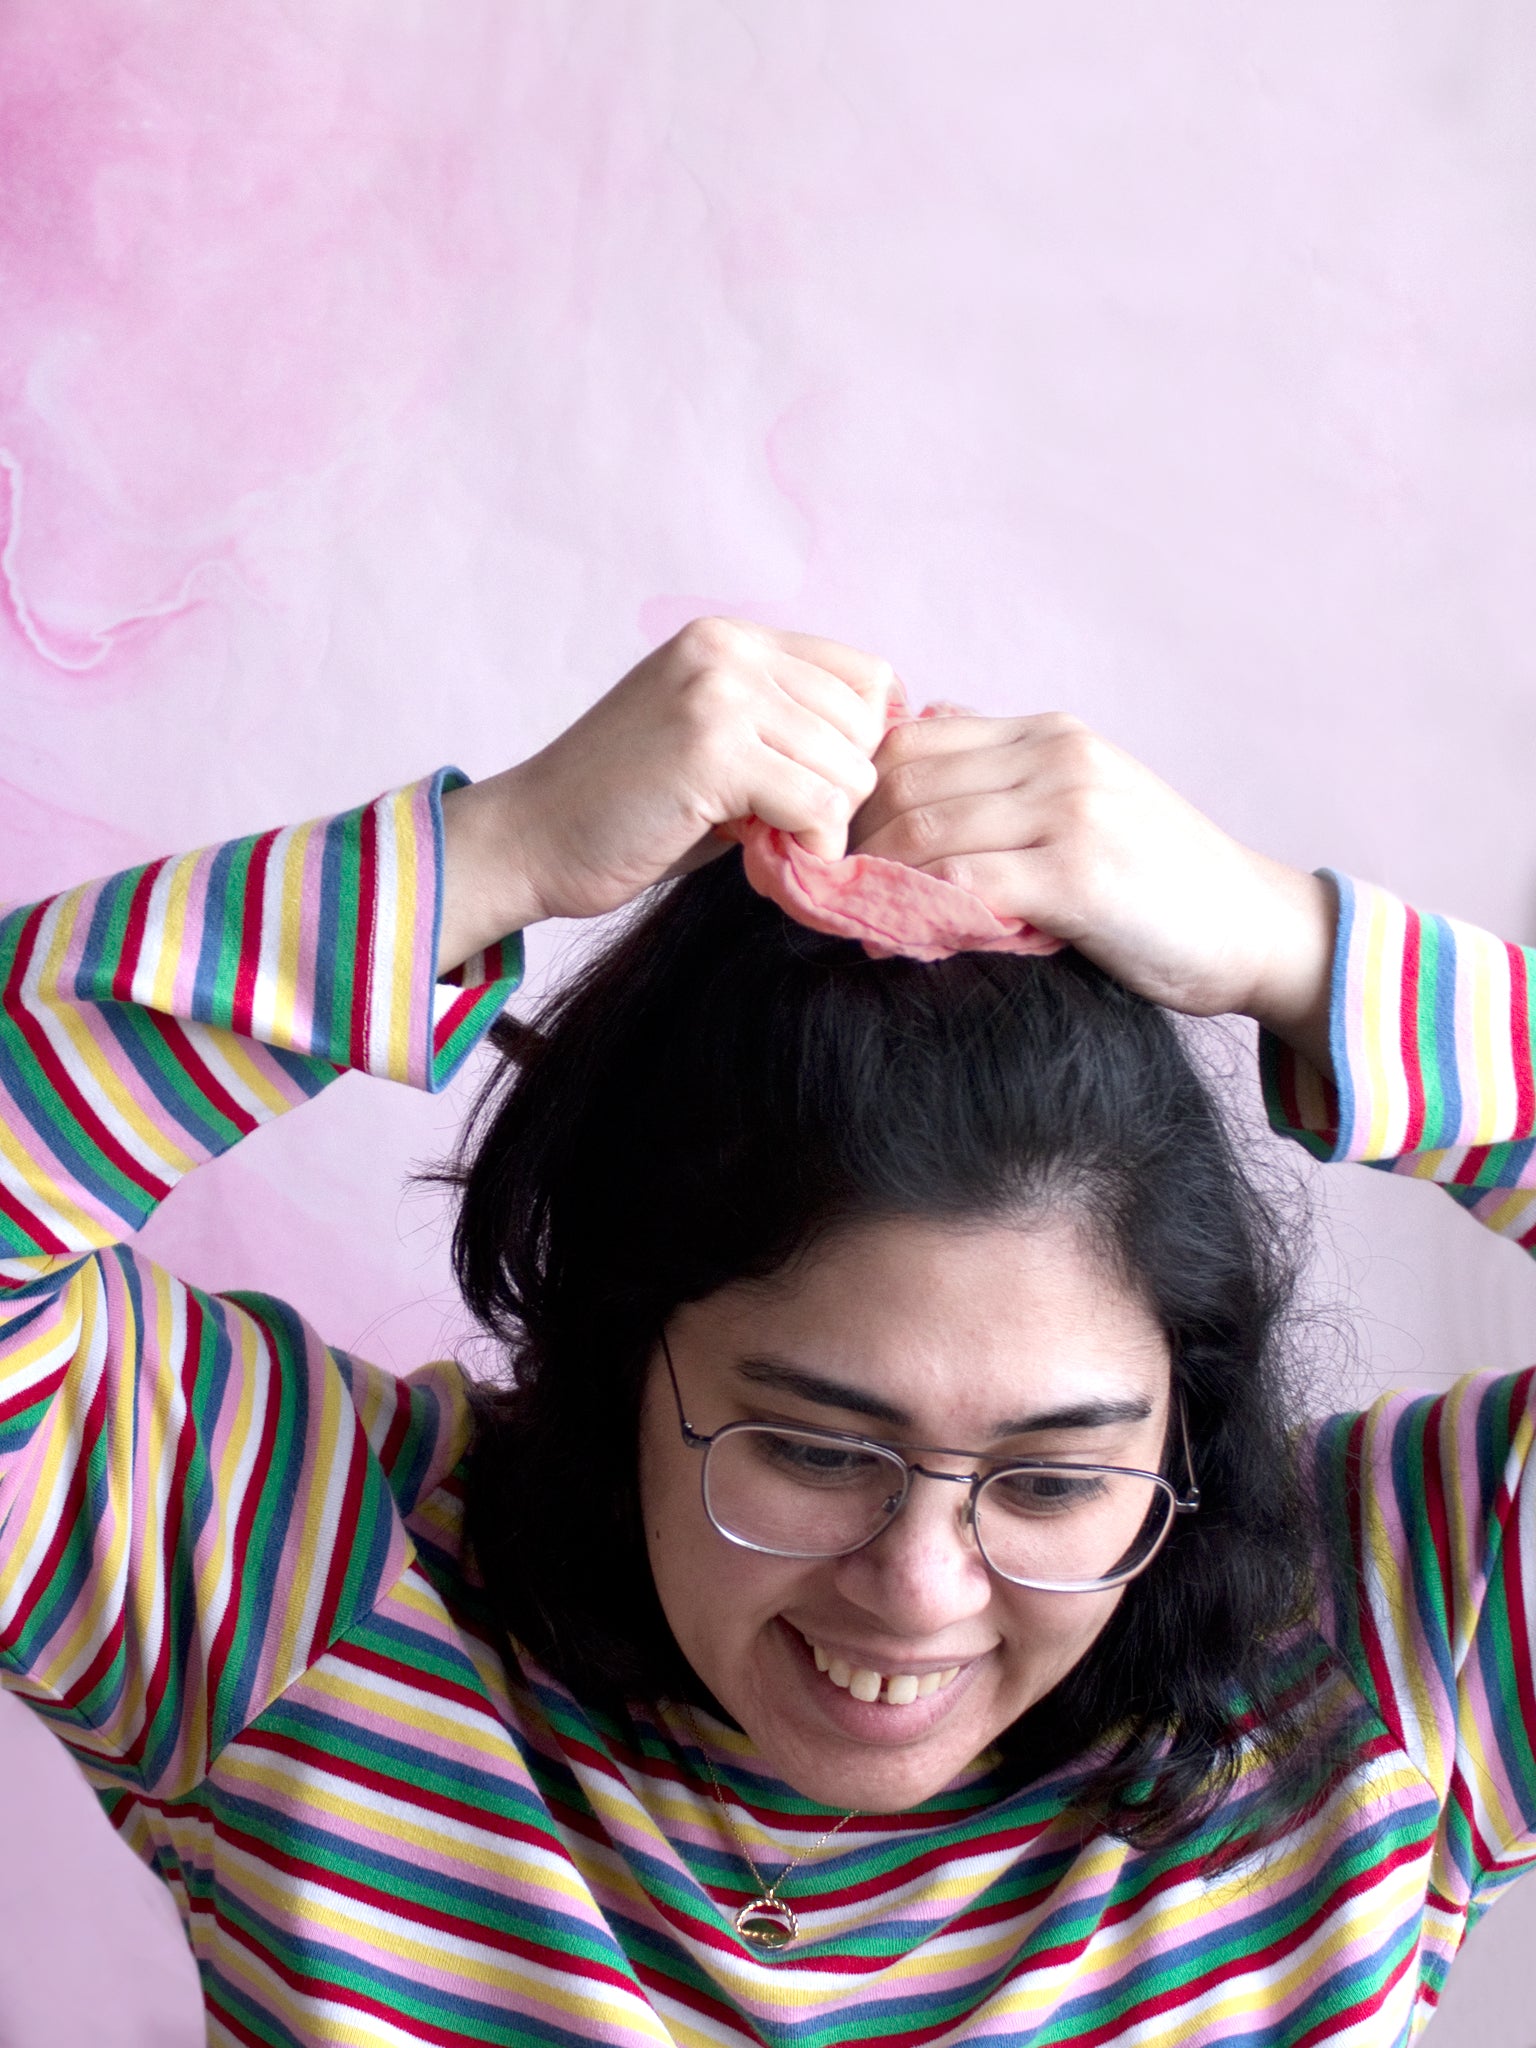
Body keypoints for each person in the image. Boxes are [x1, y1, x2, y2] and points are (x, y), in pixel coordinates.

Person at [0, 616, 1531, 2047]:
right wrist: (500, 849)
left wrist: (1295, 948)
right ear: (621, 1354)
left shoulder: (1382, 1656)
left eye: (1055, 1481)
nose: (920, 1593)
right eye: (808, 1447)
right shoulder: (315, 1582)